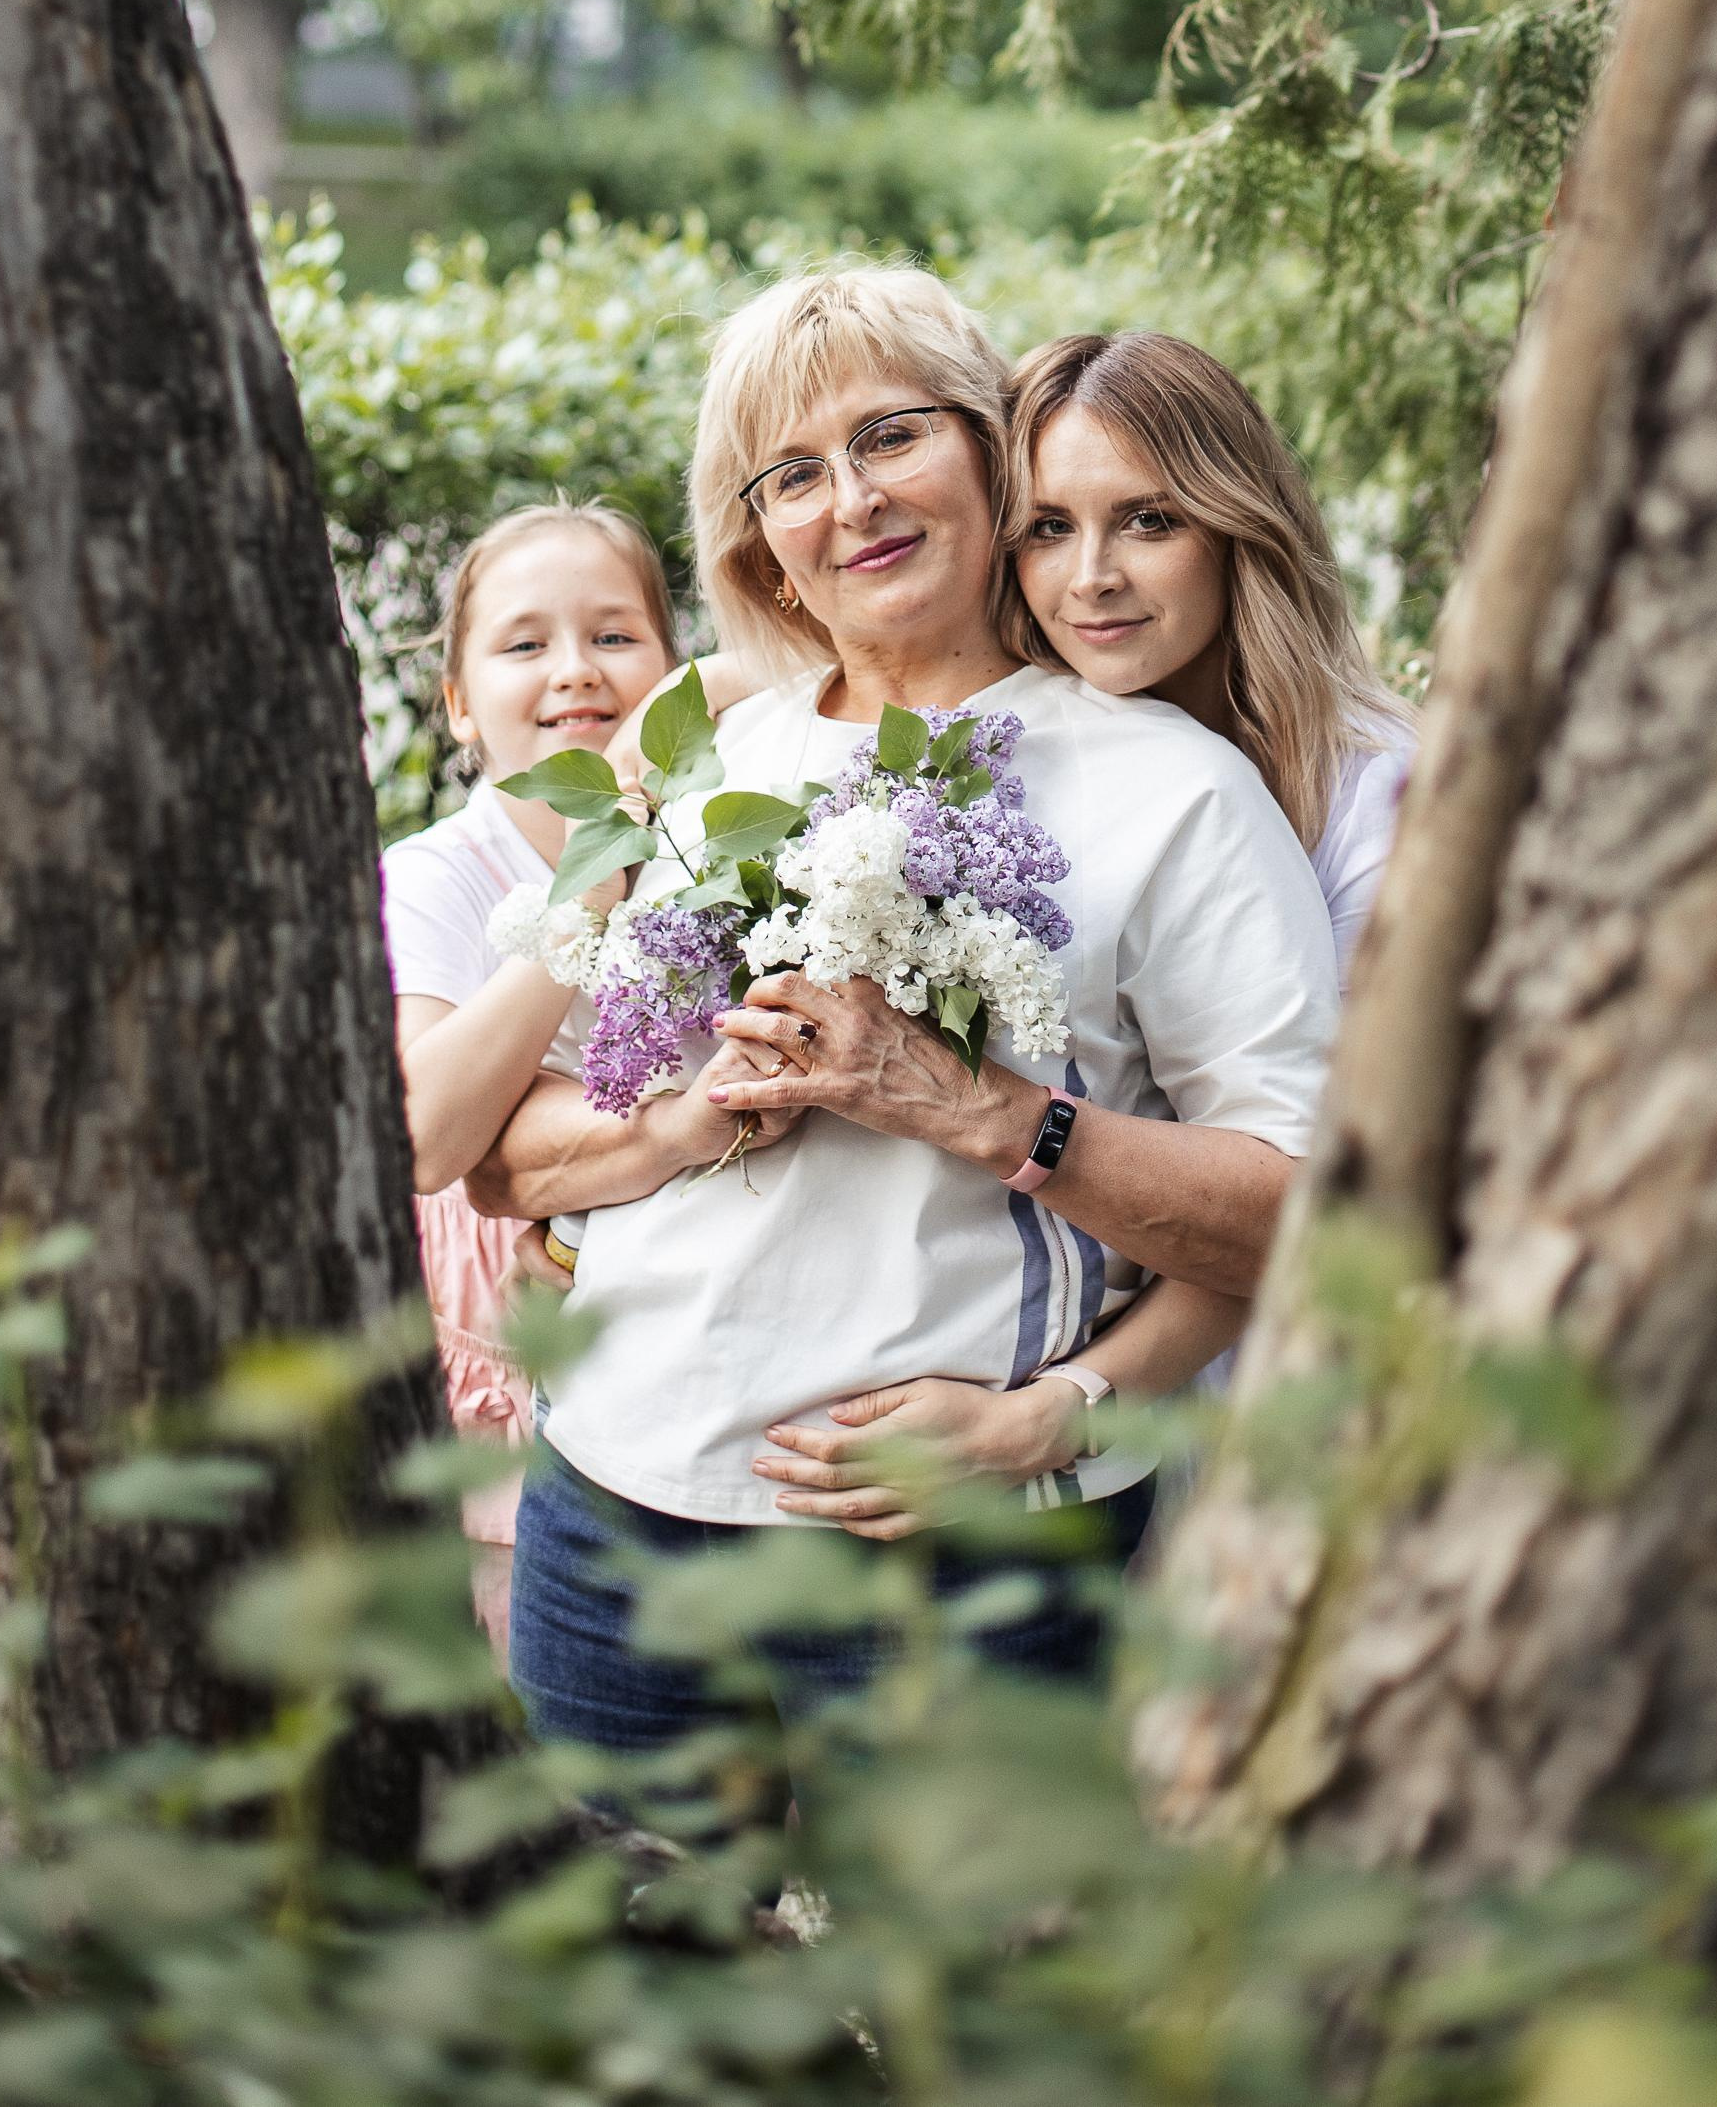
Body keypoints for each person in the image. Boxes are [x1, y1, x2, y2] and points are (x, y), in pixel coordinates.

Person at [469, 263, 1339, 1754]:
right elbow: (509, 1153)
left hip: (957, 1540)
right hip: (607, 1511)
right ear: (761, 547)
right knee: (611, 1909)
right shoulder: (695, 764)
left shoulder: (1168, 789)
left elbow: (1304, 1211)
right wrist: (681, 1124)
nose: (852, 499)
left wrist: (988, 1117)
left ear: (991, 458)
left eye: (891, 436)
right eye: (793, 475)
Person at [379, 499, 691, 1656]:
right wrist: (590, 890)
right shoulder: (437, 876)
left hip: (685, 1348)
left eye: (615, 635)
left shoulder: (712, 844)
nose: (576, 670)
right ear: (459, 702)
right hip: (515, 1367)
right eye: (524, 643)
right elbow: (430, 1131)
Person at [1005, 333, 1416, 973]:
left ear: (1235, 528)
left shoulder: (1381, 794)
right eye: (1050, 527)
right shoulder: (997, 768)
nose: (1091, 579)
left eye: (1148, 521)